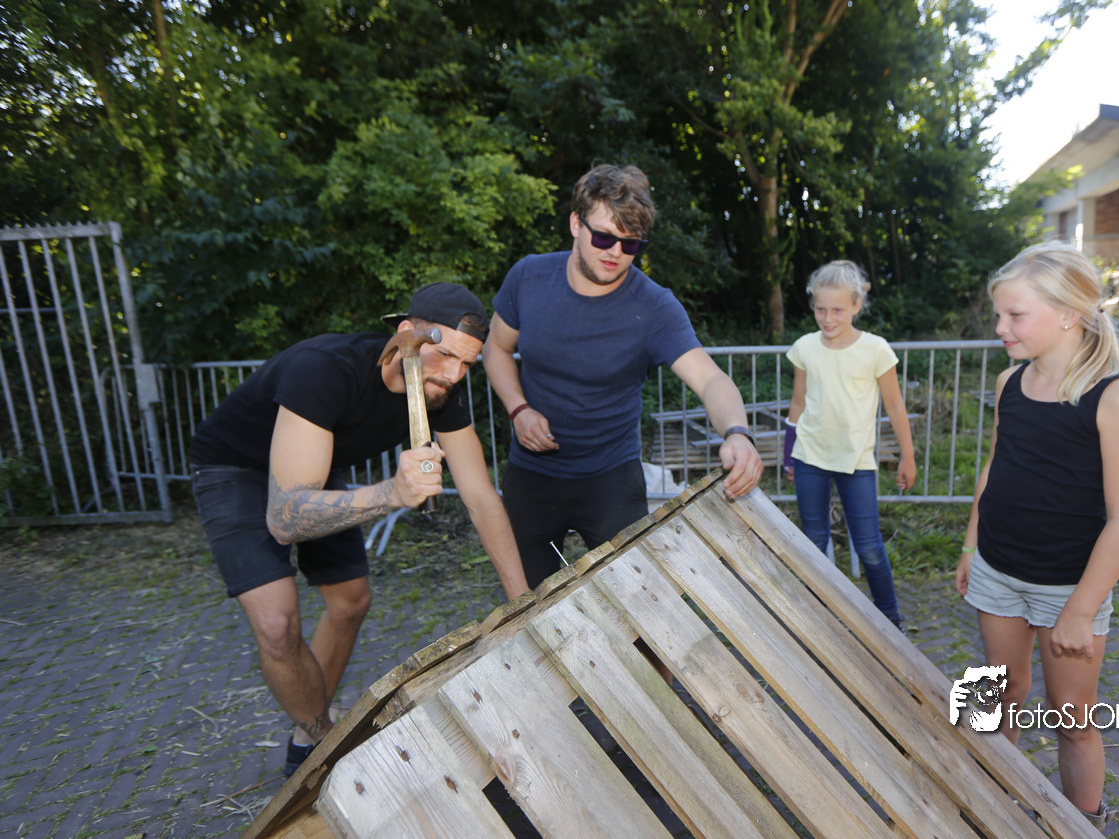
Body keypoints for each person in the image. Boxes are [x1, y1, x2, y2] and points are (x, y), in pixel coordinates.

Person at [188, 283, 528, 777]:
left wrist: (522, 606)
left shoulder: (440, 391)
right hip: (236, 468)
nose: (454, 375)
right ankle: (325, 744)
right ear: (406, 333)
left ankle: (308, 739)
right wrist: (392, 493)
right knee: (278, 626)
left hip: (313, 468)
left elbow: (480, 497)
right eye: (445, 355)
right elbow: (284, 520)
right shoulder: (325, 369)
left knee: (350, 601)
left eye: (466, 364)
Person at [482, 163, 764, 589]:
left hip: (611, 476)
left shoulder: (654, 306)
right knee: (528, 602)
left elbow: (711, 380)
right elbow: (496, 349)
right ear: (575, 223)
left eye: (631, 244)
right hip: (531, 472)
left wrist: (738, 434)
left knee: (637, 598)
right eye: (603, 237)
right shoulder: (529, 277)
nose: (615, 252)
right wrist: (518, 409)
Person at [954, 242, 1119, 832]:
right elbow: (995, 469)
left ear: (1068, 314)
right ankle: (989, 805)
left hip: (1069, 588)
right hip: (997, 570)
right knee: (999, 691)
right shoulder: (1008, 382)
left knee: (1072, 717)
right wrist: (970, 547)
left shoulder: (1117, 399)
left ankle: (1085, 822)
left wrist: (1080, 610)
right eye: (999, 314)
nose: (1000, 327)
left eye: (1015, 315)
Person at [782, 260, 916, 629]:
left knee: (869, 546)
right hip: (809, 457)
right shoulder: (804, 347)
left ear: (856, 306)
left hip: (856, 462)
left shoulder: (875, 349)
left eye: (837, 310)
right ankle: (817, 621)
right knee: (813, 542)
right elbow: (798, 402)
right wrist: (789, 453)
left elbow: (895, 405)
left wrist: (907, 456)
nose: (827, 318)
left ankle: (890, 620)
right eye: (820, 309)